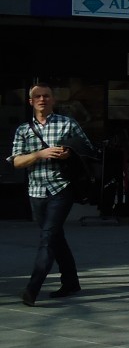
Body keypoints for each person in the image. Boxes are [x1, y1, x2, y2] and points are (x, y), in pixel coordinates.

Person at [10, 83, 96, 306]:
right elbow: (17, 161)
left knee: (47, 238)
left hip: (61, 187)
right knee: (55, 236)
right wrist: (39, 153)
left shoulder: (67, 123)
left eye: (46, 96)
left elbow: (89, 150)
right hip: (35, 190)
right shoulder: (23, 130)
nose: (42, 99)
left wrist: (69, 153)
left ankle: (33, 288)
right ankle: (71, 282)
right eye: (37, 96)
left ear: (53, 100)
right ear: (30, 101)